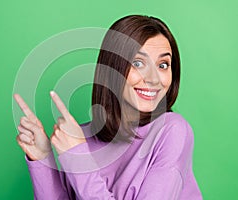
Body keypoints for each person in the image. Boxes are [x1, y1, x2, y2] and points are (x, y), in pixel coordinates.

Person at [13, 15, 203, 199]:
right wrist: (43, 157)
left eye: (163, 65)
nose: (154, 79)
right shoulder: (83, 137)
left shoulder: (172, 130)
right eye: (138, 63)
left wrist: (78, 158)